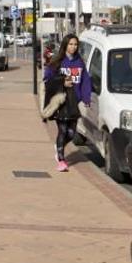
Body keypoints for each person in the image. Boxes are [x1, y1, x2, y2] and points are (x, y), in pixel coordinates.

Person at [42, 34, 91, 172]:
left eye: (75, 45)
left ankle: (59, 146)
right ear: (65, 45)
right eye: (70, 44)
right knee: (62, 130)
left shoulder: (80, 62)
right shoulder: (57, 62)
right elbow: (47, 80)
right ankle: (61, 160)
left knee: (71, 133)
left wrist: (86, 98)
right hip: (61, 101)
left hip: (74, 102)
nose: (73, 47)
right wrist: (62, 81)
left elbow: (85, 81)